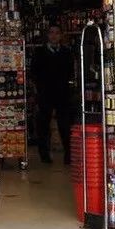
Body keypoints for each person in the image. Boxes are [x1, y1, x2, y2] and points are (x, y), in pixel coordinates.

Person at [30, 24, 75, 164]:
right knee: (43, 125)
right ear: (47, 35)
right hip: (45, 93)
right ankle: (44, 155)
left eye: (57, 33)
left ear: (61, 35)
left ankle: (68, 155)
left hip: (62, 93)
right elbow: (33, 72)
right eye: (51, 32)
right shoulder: (39, 52)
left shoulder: (66, 52)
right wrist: (37, 89)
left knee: (65, 125)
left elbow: (71, 72)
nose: (54, 35)